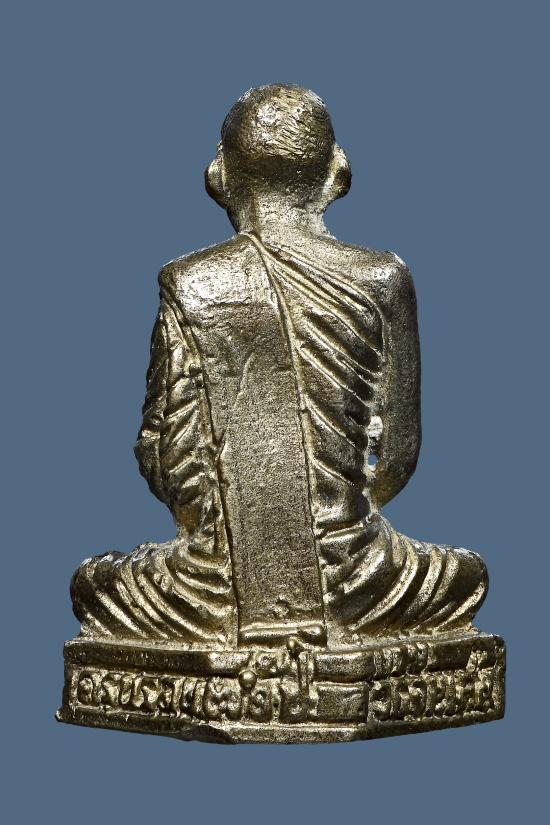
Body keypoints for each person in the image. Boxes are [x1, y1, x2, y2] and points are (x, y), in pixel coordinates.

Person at [72, 84, 487, 648]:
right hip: (356, 579)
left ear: (218, 176)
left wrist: (222, 525)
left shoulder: (190, 283)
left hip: (211, 585)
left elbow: (164, 458)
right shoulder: (382, 278)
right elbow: (395, 462)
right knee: (463, 577)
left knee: (96, 586)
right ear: (338, 172)